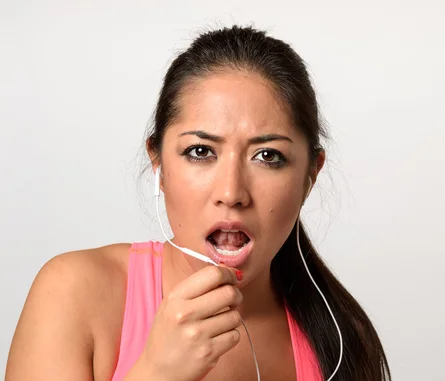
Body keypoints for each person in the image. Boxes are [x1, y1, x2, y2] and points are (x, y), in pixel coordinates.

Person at [5, 25, 391, 381]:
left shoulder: (343, 340)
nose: (231, 192)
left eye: (268, 156)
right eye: (201, 151)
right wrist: (156, 372)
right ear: (158, 161)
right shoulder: (74, 292)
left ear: (310, 174)